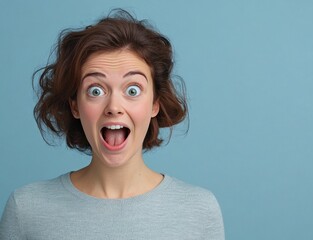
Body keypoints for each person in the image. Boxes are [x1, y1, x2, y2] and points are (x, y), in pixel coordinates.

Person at [0, 9, 224, 239]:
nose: (114, 106)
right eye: (95, 90)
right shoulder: (26, 210)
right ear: (75, 106)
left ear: (155, 104)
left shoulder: (199, 211)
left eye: (132, 90)